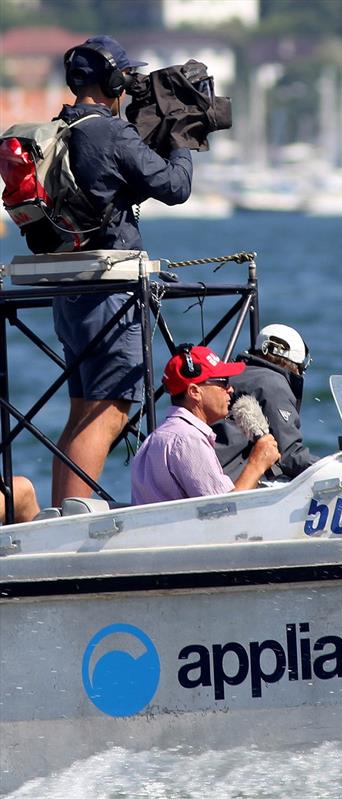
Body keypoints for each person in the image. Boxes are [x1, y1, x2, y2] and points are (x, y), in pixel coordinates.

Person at [51, 35, 193, 506]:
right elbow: (175, 186)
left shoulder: (66, 128)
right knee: (112, 410)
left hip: (69, 287)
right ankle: (70, 524)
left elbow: (110, 187)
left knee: (82, 412)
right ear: (112, 80)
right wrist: (180, 132)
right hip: (109, 286)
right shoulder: (110, 132)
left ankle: (56, 516)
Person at [131, 345, 280, 505]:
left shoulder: (158, 436)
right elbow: (223, 510)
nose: (230, 389)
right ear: (194, 392)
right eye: (224, 382)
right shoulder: (187, 439)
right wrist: (257, 464)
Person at [213, 324, 318, 481]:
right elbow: (289, 455)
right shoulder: (273, 383)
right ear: (296, 364)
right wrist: (331, 466)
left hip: (216, 470)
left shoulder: (235, 373)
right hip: (234, 482)